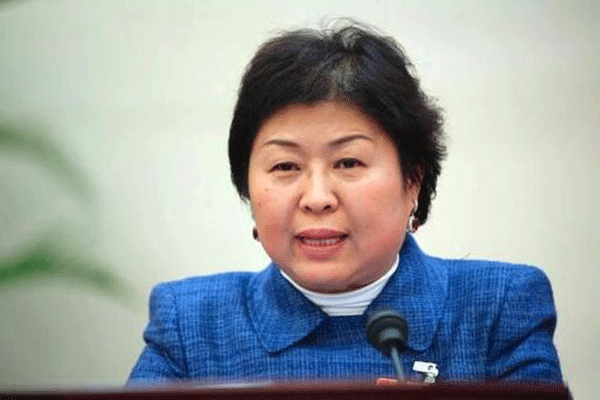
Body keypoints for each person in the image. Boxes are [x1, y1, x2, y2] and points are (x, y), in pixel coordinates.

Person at [128, 22, 562, 385]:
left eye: (348, 162)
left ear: (412, 180)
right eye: (285, 166)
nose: (317, 198)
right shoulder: (191, 323)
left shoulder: (498, 309)